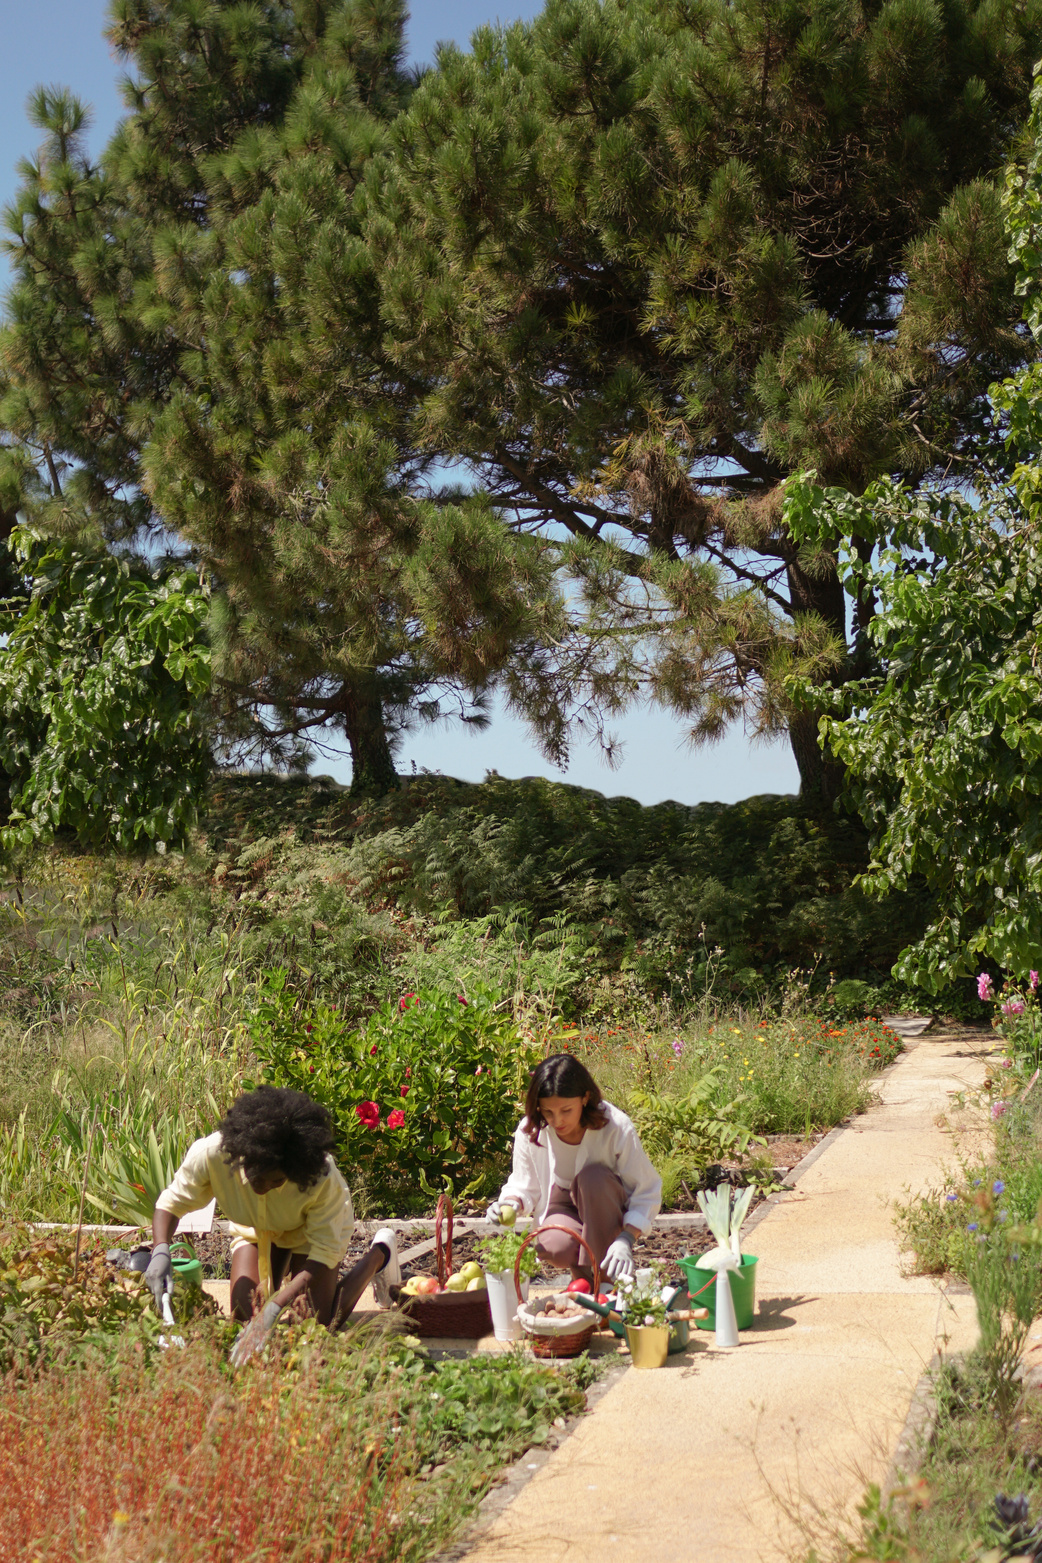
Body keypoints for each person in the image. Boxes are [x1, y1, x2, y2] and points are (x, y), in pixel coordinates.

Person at [144, 1085, 401, 1364]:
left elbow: (323, 1253)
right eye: (258, 1177)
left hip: (307, 1234)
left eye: (277, 1181)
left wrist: (276, 1306)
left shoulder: (320, 1175)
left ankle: (380, 1254)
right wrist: (160, 1250)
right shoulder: (212, 1154)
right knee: (243, 1319)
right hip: (254, 1229)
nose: (265, 1187)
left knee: (315, 1326)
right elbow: (170, 1204)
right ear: (242, 1157)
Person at [487, 1054, 661, 1284]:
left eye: (566, 1110)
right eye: (548, 1112)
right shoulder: (531, 1130)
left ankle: (607, 1278)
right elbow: (524, 1185)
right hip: (561, 1204)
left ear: (585, 1098)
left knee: (593, 1179)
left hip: (605, 1202)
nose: (557, 1120)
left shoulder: (616, 1127)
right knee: (553, 1246)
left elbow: (645, 1189)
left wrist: (627, 1238)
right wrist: (509, 1203)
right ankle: (582, 1280)